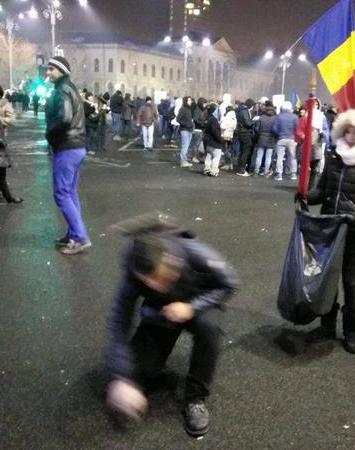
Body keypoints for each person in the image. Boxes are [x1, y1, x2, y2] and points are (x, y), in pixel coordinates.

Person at [105, 216, 239, 437]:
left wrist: (192, 307)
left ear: (170, 259)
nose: (157, 286)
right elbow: (118, 325)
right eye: (149, 282)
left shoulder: (195, 252)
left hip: (199, 301)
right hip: (164, 311)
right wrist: (122, 378)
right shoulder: (133, 273)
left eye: (161, 278)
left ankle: (195, 398)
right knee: (136, 376)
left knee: (209, 327)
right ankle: (149, 367)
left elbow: (230, 284)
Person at [302, 109, 355, 353]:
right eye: (347, 131)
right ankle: (327, 325)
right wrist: (306, 196)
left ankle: (351, 331)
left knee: (349, 280)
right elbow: (323, 190)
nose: (350, 137)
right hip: (328, 226)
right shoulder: (335, 156)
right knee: (327, 276)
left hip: (354, 229)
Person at [44, 56, 90, 255]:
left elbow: (65, 118)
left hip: (67, 146)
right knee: (70, 192)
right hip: (77, 146)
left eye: (51, 69)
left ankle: (79, 237)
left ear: (61, 70)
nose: (48, 72)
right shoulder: (70, 88)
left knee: (62, 193)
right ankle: (73, 234)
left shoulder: (62, 90)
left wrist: (49, 133)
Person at [272, 101, 299, 181]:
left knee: (279, 157)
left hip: (281, 139)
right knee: (293, 157)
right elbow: (297, 128)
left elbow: (274, 128)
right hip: (292, 139)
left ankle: (279, 175)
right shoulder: (295, 117)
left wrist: (279, 134)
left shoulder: (278, 116)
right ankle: (293, 174)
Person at [252, 101, 277, 177]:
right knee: (268, 157)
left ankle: (256, 171)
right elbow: (275, 130)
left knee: (259, 156)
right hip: (271, 139)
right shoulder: (275, 118)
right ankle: (266, 171)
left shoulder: (261, 118)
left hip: (261, 138)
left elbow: (256, 129)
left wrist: (260, 133)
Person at [201, 103, 224, 177]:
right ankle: (214, 170)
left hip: (208, 142)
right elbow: (215, 132)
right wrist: (220, 139)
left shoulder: (208, 118)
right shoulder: (214, 120)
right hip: (215, 143)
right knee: (216, 157)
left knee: (208, 156)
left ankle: (207, 169)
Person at [235, 98, 255, 176]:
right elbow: (248, 123)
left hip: (241, 132)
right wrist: (254, 120)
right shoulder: (244, 111)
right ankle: (242, 170)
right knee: (245, 152)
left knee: (242, 151)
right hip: (246, 133)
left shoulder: (240, 110)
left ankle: (239, 168)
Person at [176, 97, 195, 168]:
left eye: (190, 100)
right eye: (189, 100)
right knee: (185, 145)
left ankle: (185, 160)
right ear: (185, 101)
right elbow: (178, 119)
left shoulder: (188, 109)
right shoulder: (183, 109)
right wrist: (186, 124)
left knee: (186, 146)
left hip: (189, 130)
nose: (190, 102)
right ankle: (183, 161)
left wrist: (191, 124)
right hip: (184, 130)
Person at [219, 104, 237, 171]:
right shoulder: (234, 118)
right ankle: (230, 164)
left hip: (225, 135)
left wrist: (220, 124)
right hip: (231, 136)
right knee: (229, 150)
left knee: (224, 150)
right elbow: (235, 127)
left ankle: (227, 164)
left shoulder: (226, 117)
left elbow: (223, 126)